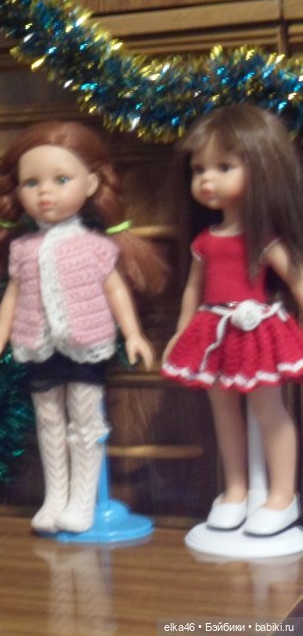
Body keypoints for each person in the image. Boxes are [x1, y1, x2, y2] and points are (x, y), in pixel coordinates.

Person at [0, 121, 166, 533]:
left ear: (91, 184)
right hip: (37, 344)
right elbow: (13, 295)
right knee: (48, 422)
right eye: (31, 183)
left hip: (85, 343)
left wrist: (134, 334)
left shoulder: (96, 246)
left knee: (85, 423)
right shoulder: (22, 249)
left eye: (61, 180)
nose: (45, 193)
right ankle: (55, 498)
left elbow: (116, 291)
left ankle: (82, 501)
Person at [162, 104, 303, 536]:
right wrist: (182, 331)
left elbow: (297, 281)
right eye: (199, 169)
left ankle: (282, 495)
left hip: (257, 331)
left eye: (224, 167)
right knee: (222, 411)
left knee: (269, 410)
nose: (207, 180)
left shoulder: (264, 241)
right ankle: (236, 490)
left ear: (261, 168)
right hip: (214, 333)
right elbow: (193, 289)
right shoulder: (206, 240)